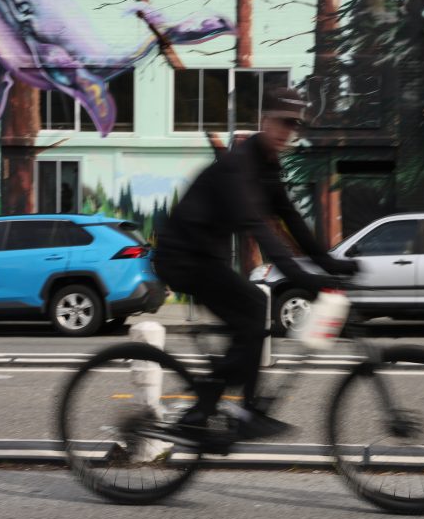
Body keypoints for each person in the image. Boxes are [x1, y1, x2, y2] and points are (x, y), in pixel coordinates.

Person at [153, 87, 357, 440]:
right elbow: (257, 227)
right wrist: (301, 277)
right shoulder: (238, 165)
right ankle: (226, 412)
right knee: (254, 309)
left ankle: (220, 409)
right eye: (281, 122)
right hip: (182, 257)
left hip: (206, 257)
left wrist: (331, 263)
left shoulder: (267, 165)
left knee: (249, 320)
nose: (286, 132)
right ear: (264, 120)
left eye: (293, 126)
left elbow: (289, 218)